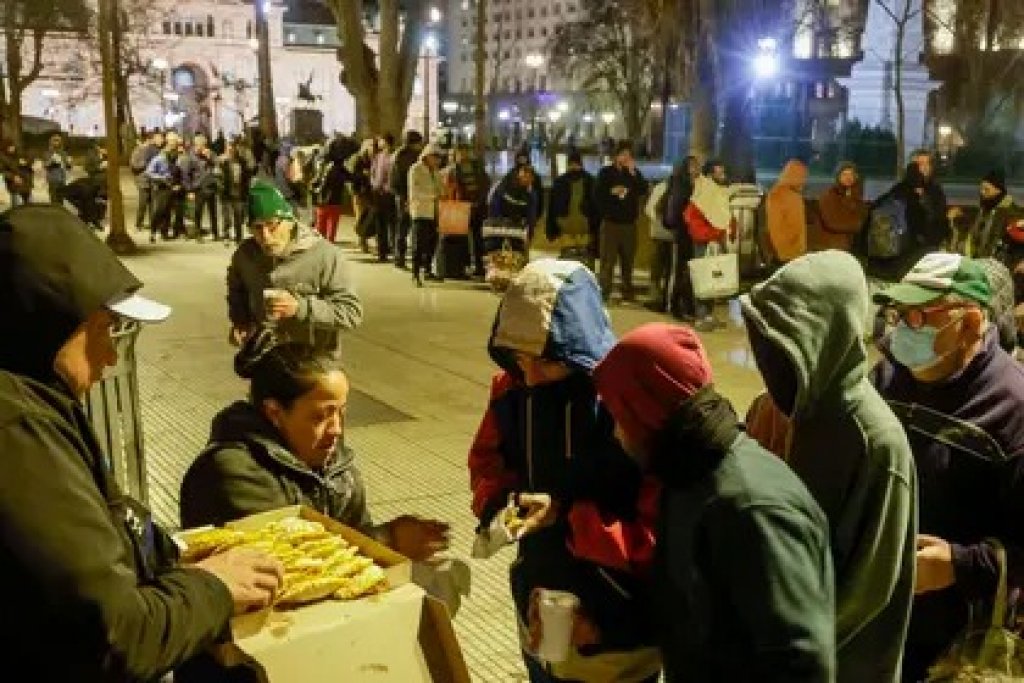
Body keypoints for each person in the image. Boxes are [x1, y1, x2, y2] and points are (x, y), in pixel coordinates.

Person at [0, 205, 284, 679]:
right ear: (51, 321)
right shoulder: (18, 430)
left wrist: (164, 557)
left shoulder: (34, 399)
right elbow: (113, 634)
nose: (112, 354)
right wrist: (213, 588)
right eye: (103, 329)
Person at [592, 323, 835, 681]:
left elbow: (799, 663)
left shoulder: (750, 508)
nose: (615, 433)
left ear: (645, 412)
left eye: (619, 416)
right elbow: (690, 618)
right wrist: (603, 630)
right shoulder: (687, 478)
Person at [469, 259, 661, 683]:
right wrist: (497, 505)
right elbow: (486, 461)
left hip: (619, 610)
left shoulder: (624, 401)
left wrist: (569, 517)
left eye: (549, 361)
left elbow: (658, 520)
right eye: (519, 359)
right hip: (540, 594)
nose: (532, 376)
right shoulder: (511, 391)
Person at [740, 250, 916, 682]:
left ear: (829, 336)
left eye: (784, 343)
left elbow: (867, 590)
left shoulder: (877, 443)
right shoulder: (778, 409)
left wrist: (784, 649)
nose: (768, 360)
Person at [869, 252, 1024, 681]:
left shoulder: (1012, 410)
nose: (900, 330)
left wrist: (959, 565)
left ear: (970, 324)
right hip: (880, 615)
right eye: (899, 314)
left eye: (919, 317)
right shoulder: (888, 378)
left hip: (954, 643)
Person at [180, 328, 450, 562]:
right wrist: (387, 540)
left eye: (341, 412)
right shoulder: (234, 470)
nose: (336, 429)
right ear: (274, 412)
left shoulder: (332, 460)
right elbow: (289, 561)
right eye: (321, 416)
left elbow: (355, 531)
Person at [227, 180, 363, 358]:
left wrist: (300, 308)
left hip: (314, 365)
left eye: (272, 225)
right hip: (266, 363)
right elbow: (237, 291)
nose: (266, 236)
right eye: (257, 228)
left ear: (289, 221)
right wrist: (241, 322)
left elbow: (351, 313)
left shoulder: (325, 255)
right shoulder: (245, 255)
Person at [593, 140, 649, 303]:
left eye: (629, 155)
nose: (626, 158)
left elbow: (643, 189)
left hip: (629, 224)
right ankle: (604, 291)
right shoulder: (606, 173)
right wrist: (611, 192)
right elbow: (597, 196)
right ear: (616, 156)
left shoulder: (632, 173)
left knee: (628, 260)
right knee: (607, 261)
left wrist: (633, 173)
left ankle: (627, 291)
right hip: (611, 224)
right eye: (623, 155)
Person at [684, 160, 735, 331]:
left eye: (723, 172)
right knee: (702, 277)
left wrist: (729, 229)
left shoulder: (720, 192)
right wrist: (710, 234)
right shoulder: (704, 191)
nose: (723, 176)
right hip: (704, 241)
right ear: (710, 175)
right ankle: (701, 316)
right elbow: (692, 217)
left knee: (714, 277)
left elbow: (724, 214)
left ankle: (709, 314)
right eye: (719, 173)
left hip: (716, 240)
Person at [948, 169, 1019, 259]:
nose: (982, 192)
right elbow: (974, 231)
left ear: (998, 190)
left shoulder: (1009, 213)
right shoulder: (985, 209)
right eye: (981, 189)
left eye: (987, 190)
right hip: (978, 260)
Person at [445, 143, 492, 277]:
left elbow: (485, 184)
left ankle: (479, 267)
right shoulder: (452, 170)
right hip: (461, 208)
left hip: (478, 207)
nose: (463, 155)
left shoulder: (477, 167)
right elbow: (451, 189)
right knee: (461, 240)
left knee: (479, 239)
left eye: (465, 152)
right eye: (460, 152)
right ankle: (462, 267)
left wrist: (479, 201)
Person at [546, 150, 597, 270]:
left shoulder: (590, 182)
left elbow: (596, 207)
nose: (574, 166)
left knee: (586, 263)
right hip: (566, 231)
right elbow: (553, 207)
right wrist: (552, 228)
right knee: (567, 263)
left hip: (585, 231)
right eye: (572, 163)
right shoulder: (560, 182)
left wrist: (594, 226)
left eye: (577, 163)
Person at [666, 156, 702, 321]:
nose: (696, 168)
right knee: (682, 269)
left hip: (692, 232)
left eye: (697, 165)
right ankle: (676, 305)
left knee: (690, 270)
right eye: (693, 166)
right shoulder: (682, 185)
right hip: (684, 232)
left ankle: (687, 305)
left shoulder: (696, 183)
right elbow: (677, 207)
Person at [408, 144, 445, 287]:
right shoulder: (415, 170)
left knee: (432, 242)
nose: (437, 161)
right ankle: (415, 273)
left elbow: (440, 188)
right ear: (428, 156)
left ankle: (428, 270)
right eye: (435, 157)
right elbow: (414, 192)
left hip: (434, 212)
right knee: (419, 243)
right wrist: (434, 196)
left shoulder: (436, 172)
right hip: (420, 211)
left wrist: (442, 194)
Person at [389, 131, 425, 269]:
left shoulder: (399, 154)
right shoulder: (406, 156)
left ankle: (400, 257)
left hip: (402, 195)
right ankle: (400, 257)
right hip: (407, 196)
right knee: (405, 227)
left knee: (402, 227)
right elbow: (403, 180)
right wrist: (405, 197)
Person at [814, 161, 868, 252]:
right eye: (844, 174)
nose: (848, 177)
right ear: (838, 177)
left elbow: (862, 214)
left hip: (851, 245)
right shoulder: (829, 196)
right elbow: (832, 223)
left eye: (851, 174)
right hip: (833, 246)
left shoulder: (854, 195)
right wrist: (857, 226)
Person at [311, 137, 356, 245]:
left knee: (320, 231)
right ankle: (327, 252)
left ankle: (321, 253)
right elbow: (351, 178)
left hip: (322, 201)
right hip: (334, 201)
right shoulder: (338, 167)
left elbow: (316, 181)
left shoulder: (322, 164)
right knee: (330, 232)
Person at [766, 159, 810, 263]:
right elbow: (775, 225)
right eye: (801, 176)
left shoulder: (795, 194)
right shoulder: (778, 194)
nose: (804, 179)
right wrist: (784, 248)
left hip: (797, 251)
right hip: (786, 253)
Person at [145, 132, 186, 241]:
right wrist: (161, 178)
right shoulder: (160, 157)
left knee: (168, 211)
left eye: (176, 141)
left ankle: (165, 232)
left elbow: (181, 172)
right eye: (172, 141)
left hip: (173, 187)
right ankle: (153, 232)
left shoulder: (179, 156)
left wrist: (178, 184)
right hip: (162, 188)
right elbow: (149, 172)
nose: (174, 143)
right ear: (168, 141)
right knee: (159, 211)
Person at [180, 133, 221, 241]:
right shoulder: (190, 156)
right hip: (198, 188)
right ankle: (198, 234)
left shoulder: (211, 154)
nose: (200, 147)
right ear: (195, 144)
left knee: (213, 212)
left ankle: (216, 233)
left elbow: (218, 165)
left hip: (211, 186)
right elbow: (185, 174)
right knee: (198, 212)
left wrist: (210, 158)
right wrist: (189, 190)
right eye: (198, 144)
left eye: (202, 145)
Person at [219, 136, 253, 245]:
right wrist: (221, 187)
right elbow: (217, 176)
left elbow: (247, 176)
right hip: (226, 193)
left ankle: (239, 238)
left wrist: (246, 189)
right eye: (228, 149)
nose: (231, 151)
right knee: (227, 217)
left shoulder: (242, 162)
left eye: (232, 149)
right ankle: (226, 236)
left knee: (238, 217)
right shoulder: (222, 162)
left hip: (239, 193)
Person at [129, 130, 164, 229]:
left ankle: (153, 224)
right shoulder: (138, 150)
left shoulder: (157, 150)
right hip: (143, 181)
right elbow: (134, 165)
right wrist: (145, 164)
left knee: (153, 204)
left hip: (153, 181)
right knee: (143, 204)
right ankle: (138, 224)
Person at [370, 133, 396, 262]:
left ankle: (383, 252)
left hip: (382, 193)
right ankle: (391, 251)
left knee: (382, 224)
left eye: (380, 140)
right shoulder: (393, 155)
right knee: (391, 224)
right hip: (390, 193)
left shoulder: (383, 157)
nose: (378, 142)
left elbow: (378, 176)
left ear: (385, 142)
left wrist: (375, 185)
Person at [44, 134, 73, 206]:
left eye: (58, 140)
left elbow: (68, 167)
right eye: (55, 140)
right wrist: (52, 161)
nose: (57, 142)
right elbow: (46, 165)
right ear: (51, 142)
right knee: (54, 200)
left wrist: (69, 163)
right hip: (53, 179)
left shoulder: (63, 153)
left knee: (61, 200)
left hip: (62, 179)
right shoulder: (48, 153)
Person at [1, 141, 33, 206]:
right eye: (10, 147)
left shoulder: (18, 155)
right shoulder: (3, 158)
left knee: (28, 205)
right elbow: (3, 171)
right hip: (14, 185)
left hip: (26, 183)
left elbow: (29, 165)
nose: (12, 148)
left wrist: (26, 163)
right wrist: (13, 177)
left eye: (13, 146)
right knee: (16, 205)